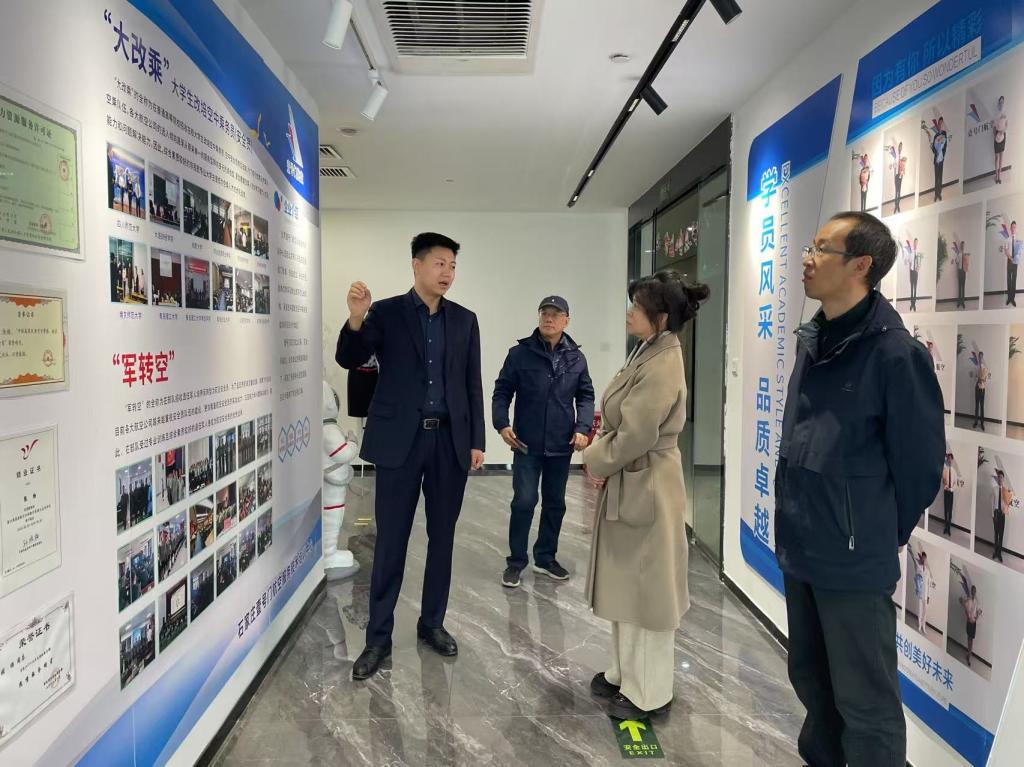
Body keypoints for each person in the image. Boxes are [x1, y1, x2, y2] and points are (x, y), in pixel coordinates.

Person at [776, 211, 944, 766]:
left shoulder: (895, 354)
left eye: (821, 249)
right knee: (812, 682)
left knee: (865, 702)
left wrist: (867, 530)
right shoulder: (814, 339)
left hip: (852, 560)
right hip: (801, 546)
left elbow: (920, 468)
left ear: (860, 265)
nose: (807, 259)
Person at [336, 232, 485, 681]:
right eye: (440, 263)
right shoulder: (386, 313)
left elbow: (472, 383)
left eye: (452, 266)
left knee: (443, 537)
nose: (447, 273)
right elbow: (349, 357)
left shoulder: (465, 320)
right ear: (416, 265)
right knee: (391, 540)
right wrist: (356, 318)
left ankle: (432, 623)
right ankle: (378, 637)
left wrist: (477, 439)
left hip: (449, 443)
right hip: (400, 442)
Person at [581, 270, 709, 721]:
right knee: (627, 585)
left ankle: (650, 691)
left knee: (648, 592)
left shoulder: (663, 362)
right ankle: (624, 673)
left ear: (661, 317)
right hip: (633, 477)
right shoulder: (648, 349)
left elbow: (637, 434)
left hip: (648, 481)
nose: (629, 313)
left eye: (637, 307)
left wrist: (594, 459)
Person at [492, 295, 595, 588]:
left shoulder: (576, 358)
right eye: (544, 313)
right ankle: (516, 562)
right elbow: (502, 391)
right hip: (526, 443)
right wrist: (502, 424)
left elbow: (585, 396)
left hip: (561, 444)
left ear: (566, 321)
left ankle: (546, 558)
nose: (549, 319)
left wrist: (583, 428)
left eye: (555, 314)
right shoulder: (519, 354)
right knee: (524, 501)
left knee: (555, 503)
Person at [922, 117, 950, 201]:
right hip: (936, 159)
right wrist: (932, 148)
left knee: (940, 177)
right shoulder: (935, 136)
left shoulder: (944, 134)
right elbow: (934, 149)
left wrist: (942, 155)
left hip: (941, 159)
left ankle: (939, 193)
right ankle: (935, 194)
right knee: (936, 177)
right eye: (939, 123)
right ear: (937, 124)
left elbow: (945, 146)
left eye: (941, 123)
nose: (940, 125)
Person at [910, 546, 935, 634]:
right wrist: (916, 589)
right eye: (923, 558)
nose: (924, 560)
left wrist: (928, 596)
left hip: (926, 594)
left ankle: (924, 626)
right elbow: (916, 579)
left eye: (925, 558)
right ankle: (920, 625)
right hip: (920, 593)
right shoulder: (919, 568)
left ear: (926, 559)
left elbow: (929, 584)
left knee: (925, 611)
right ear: (921, 558)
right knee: (920, 610)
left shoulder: (928, 571)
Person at [959, 585, 982, 667]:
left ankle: (969, 655)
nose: (973, 592)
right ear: (971, 591)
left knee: (971, 640)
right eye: (972, 590)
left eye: (974, 591)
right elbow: (964, 606)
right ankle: (968, 654)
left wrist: (977, 617)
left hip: (973, 623)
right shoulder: (968, 600)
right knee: (969, 639)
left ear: (975, 592)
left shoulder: (977, 602)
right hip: (969, 622)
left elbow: (979, 611)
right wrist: (961, 601)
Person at [993, 469, 1011, 562]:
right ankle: (995, 552)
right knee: (996, 534)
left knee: (1001, 534)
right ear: (997, 478)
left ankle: (999, 553)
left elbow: (1008, 502)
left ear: (1003, 479)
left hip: (1002, 514)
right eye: (998, 477)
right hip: (996, 513)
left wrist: (1005, 510)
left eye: (1001, 477)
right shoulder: (994, 489)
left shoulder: (1006, 490)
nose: (1000, 479)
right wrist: (992, 514)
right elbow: (992, 502)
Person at [1002, 219, 1020, 307]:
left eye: (1014, 227)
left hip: (1015, 262)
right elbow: (1005, 251)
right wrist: (1010, 258)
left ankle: (1013, 299)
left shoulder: (1018, 240)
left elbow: (1019, 251)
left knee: (1014, 280)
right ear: (1010, 228)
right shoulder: (1007, 239)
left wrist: (1016, 256)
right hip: (1009, 261)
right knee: (1009, 280)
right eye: (1012, 227)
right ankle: (1009, 298)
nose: (1013, 229)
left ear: (1016, 228)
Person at [972, 351, 989, 430]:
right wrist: (977, 379)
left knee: (982, 406)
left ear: (983, 357)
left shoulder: (985, 367)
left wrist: (982, 380)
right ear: (978, 357)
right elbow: (974, 377)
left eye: (981, 357)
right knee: (976, 405)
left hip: (982, 388)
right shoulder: (976, 367)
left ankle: (982, 423)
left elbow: (986, 378)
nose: (980, 358)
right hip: (977, 387)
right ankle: (976, 422)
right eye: (979, 357)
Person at [993, 96, 1008, 185]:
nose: (1001, 103)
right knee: (996, 158)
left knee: (1001, 157)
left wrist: (1003, 131)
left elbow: (1007, 124)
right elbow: (994, 127)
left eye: (1003, 102)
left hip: (1003, 135)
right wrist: (995, 136)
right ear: (998, 103)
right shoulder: (996, 114)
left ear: (1003, 103)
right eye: (1000, 102)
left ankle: (1000, 176)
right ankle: (996, 176)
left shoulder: (1005, 114)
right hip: (997, 136)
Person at [941, 451, 956, 536]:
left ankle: (949, 528)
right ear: (947, 460)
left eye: (950, 459)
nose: (949, 460)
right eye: (948, 459)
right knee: (945, 509)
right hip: (946, 492)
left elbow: (955, 483)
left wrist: (952, 488)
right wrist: (945, 486)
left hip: (951, 493)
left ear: (952, 460)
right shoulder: (945, 470)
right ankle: (945, 527)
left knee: (950, 511)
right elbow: (943, 481)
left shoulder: (954, 471)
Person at [893, 142, 906, 214]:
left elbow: (903, 169)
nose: (900, 148)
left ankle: (898, 205)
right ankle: (896, 206)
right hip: (896, 176)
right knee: (896, 191)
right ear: (898, 148)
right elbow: (894, 165)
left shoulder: (902, 159)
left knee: (899, 191)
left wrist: (903, 172)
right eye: (899, 147)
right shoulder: (896, 157)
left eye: (901, 147)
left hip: (900, 177)